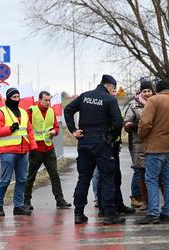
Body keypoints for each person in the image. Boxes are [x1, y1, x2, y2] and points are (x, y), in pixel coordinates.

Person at [64, 74, 125, 225]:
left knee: (84, 178)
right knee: (107, 177)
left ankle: (79, 214)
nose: (114, 91)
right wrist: (112, 137)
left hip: (84, 141)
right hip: (102, 142)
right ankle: (109, 214)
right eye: (114, 88)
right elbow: (118, 122)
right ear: (109, 86)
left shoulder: (85, 96)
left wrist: (73, 130)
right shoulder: (110, 99)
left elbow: (68, 110)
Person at [136, 80, 169, 224]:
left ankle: (153, 213)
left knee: (151, 180)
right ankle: (167, 212)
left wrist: (141, 135)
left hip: (155, 147)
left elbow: (145, 123)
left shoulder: (154, 100)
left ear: (156, 89)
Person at [0, 88, 37, 216]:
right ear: (8, 98)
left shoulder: (23, 112)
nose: (17, 99)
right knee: (5, 180)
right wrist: (9, 129)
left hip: (23, 151)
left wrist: (32, 147)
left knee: (22, 179)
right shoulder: (0, 113)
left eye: (18, 97)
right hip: (8, 152)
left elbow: (29, 131)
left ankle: (18, 206)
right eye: (14, 97)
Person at [24, 91, 71, 210]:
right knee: (31, 176)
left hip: (49, 148)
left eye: (49, 100)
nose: (48, 102)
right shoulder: (31, 111)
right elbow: (25, 126)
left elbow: (56, 127)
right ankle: (26, 201)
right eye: (45, 100)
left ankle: (60, 200)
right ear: (39, 100)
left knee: (54, 175)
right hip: (36, 149)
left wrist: (54, 132)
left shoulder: (51, 111)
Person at [124, 80, 154, 211]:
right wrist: (137, 127)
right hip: (138, 143)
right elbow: (127, 123)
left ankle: (151, 198)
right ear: (140, 92)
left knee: (152, 172)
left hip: (154, 142)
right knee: (140, 170)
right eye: (144, 91)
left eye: (149, 91)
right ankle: (138, 197)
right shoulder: (133, 104)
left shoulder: (157, 102)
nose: (147, 94)